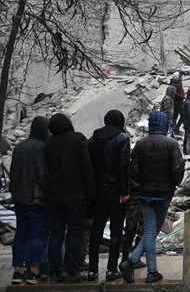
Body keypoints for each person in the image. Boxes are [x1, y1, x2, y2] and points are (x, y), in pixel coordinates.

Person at [119, 111, 184, 284]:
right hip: (164, 193)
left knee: (149, 231)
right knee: (152, 232)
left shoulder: (140, 144)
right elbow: (178, 168)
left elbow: (133, 171)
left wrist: (140, 187)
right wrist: (175, 183)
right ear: (163, 124)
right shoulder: (171, 143)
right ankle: (144, 268)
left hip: (145, 194)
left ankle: (137, 265)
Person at [44, 113, 96, 284]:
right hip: (75, 196)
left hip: (54, 196)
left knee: (56, 234)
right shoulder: (78, 139)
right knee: (74, 233)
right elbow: (87, 167)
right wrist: (91, 193)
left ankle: (54, 272)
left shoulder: (49, 143)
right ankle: (72, 271)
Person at [87, 110, 131, 281]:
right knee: (116, 231)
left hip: (97, 194)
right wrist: (125, 191)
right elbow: (124, 167)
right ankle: (111, 269)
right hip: (115, 194)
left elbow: (89, 165)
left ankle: (92, 270)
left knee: (96, 230)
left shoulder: (93, 139)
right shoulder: (122, 138)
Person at [10, 116, 49, 285]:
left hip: (19, 199)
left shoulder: (19, 147)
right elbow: (42, 176)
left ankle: (18, 271)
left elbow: (12, 173)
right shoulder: (41, 148)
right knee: (36, 236)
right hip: (36, 200)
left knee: (20, 235)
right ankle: (34, 271)